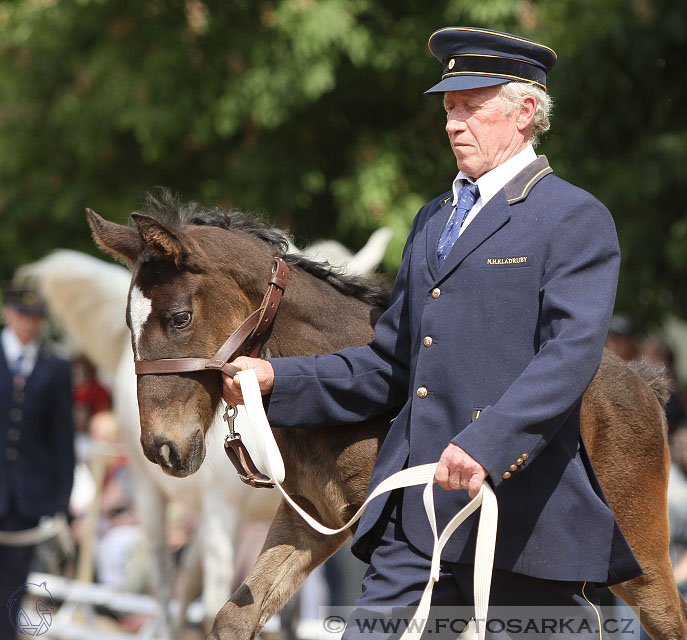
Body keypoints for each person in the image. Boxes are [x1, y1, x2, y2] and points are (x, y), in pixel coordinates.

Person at [222, 26, 641, 638]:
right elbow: (389, 364)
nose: (452, 123)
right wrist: (275, 379)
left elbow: (569, 355)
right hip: (413, 524)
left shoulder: (574, 218)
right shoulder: (431, 220)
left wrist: (487, 444)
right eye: (449, 108)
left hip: (520, 521)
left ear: (525, 112)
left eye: (471, 106)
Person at [0, 285, 74, 640]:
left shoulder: (56, 366)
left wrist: (61, 502)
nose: (27, 324)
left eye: (35, 317)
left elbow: (63, 439)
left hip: (27, 495)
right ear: (9, 313)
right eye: (21, 314)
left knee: (14, 579)